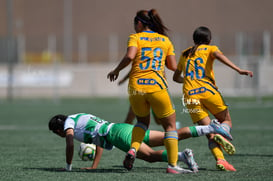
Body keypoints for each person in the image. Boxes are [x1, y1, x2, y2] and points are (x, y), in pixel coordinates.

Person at [107, 9, 186, 173]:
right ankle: (172, 165)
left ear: (140, 23)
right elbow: (172, 66)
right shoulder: (165, 40)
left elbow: (130, 57)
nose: (134, 27)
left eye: (134, 23)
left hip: (136, 88)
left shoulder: (135, 38)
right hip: (157, 87)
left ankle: (133, 149)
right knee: (170, 126)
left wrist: (116, 70)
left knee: (142, 123)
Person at [173, 26, 253, 171]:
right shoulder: (210, 49)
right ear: (209, 39)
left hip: (190, 95)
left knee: (209, 132)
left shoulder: (185, 53)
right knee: (226, 121)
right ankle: (222, 132)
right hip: (207, 90)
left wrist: (188, 81)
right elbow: (219, 56)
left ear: (194, 39)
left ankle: (221, 160)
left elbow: (175, 77)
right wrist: (238, 69)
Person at [48, 112, 234, 172]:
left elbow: (70, 143)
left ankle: (182, 156)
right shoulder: (79, 117)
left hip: (118, 135)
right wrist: (94, 167)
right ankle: (210, 128)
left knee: (151, 157)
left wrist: (68, 166)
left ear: (58, 129)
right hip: (122, 128)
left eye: (58, 134)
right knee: (168, 136)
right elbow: (98, 140)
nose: (62, 135)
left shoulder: (69, 124)